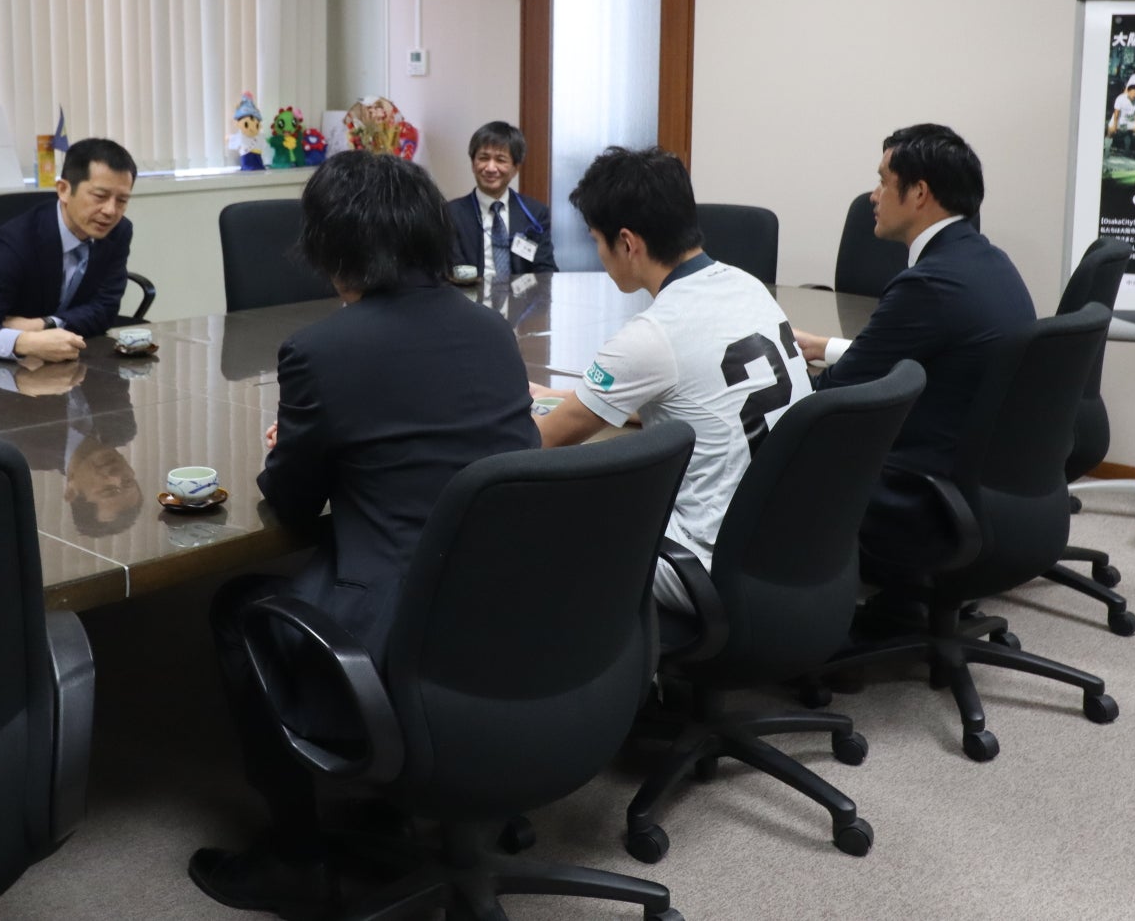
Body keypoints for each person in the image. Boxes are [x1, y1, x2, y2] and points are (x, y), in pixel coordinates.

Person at [190, 150, 537, 916]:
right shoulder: (490, 331)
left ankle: (295, 855)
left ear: (331, 247)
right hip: (516, 618)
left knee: (239, 606)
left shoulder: (321, 351)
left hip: (403, 635)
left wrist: (299, 443)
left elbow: (291, 503)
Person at [529, 146, 809, 622]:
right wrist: (559, 397)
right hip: (787, 543)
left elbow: (541, 441)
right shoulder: (747, 286)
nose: (599, 254)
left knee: (546, 512)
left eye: (597, 240)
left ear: (627, 243)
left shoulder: (652, 335)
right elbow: (698, 399)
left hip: (703, 563)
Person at [790, 125, 1034, 555]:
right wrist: (828, 348)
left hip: (919, 497)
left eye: (883, 181)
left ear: (919, 193)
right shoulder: (988, 260)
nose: (874, 196)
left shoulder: (928, 284)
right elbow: (935, 361)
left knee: (770, 457)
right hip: (983, 484)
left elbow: (830, 396)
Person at [0, 137, 136, 361]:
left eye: (122, 200)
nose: (110, 211)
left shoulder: (118, 232)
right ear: (63, 190)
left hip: (75, 358)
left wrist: (44, 324)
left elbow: (105, 309)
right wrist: (24, 341)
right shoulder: (15, 240)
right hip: (9, 369)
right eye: (100, 196)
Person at [447, 120, 556, 280]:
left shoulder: (536, 213)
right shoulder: (450, 214)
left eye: (500, 160)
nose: (490, 168)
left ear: (515, 168)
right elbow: (452, 270)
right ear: (473, 164)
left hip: (525, 294)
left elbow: (545, 270)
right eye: (483, 158)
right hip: (470, 294)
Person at [1107, 84, 1135, 160]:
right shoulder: (1120, 99)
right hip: (1119, 120)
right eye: (1131, 93)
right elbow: (1116, 113)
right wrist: (1115, 125)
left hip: (1131, 121)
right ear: (1128, 92)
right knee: (1110, 131)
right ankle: (1107, 151)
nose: (1133, 95)